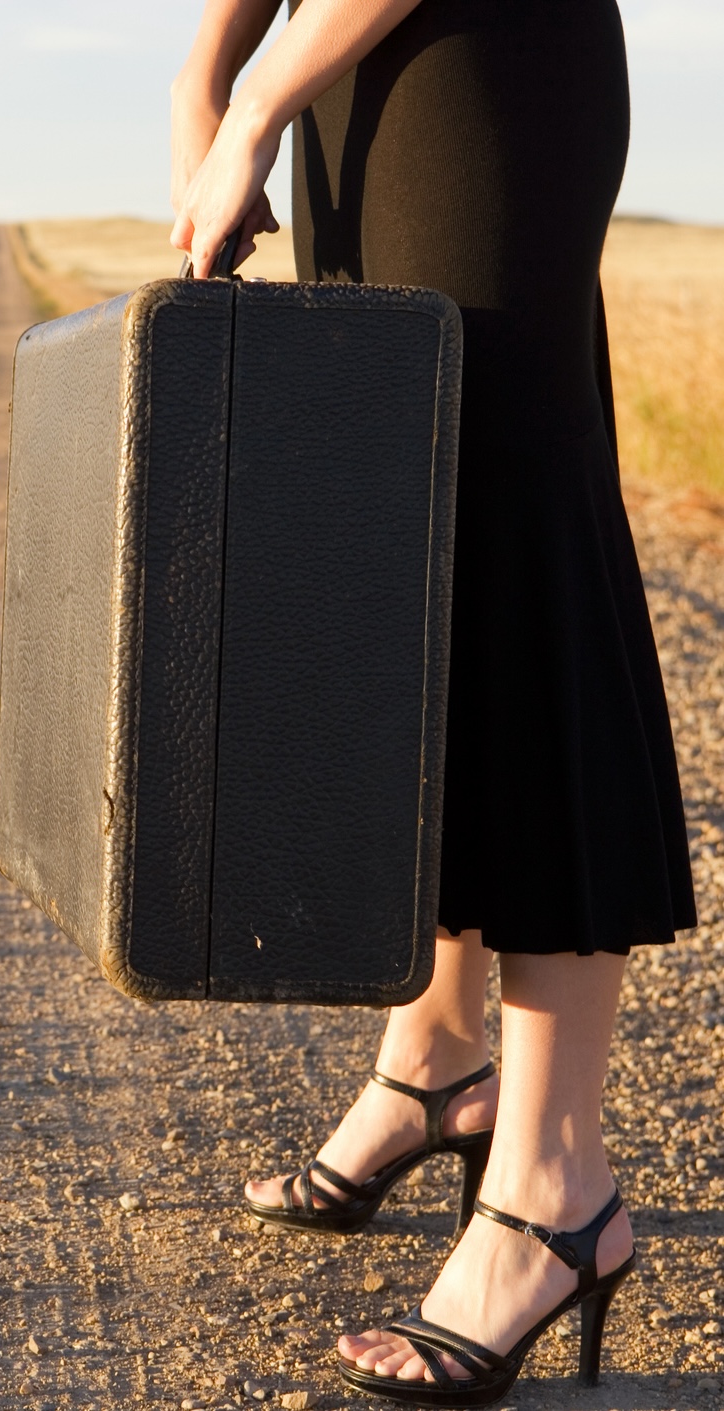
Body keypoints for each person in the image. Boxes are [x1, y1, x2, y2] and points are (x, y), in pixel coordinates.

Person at [170, 0, 697, 1402]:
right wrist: (210, 76)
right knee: (416, 565)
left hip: (483, 56)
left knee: (520, 555)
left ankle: (552, 1189)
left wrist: (256, 98)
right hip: (351, 69)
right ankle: (440, 1057)